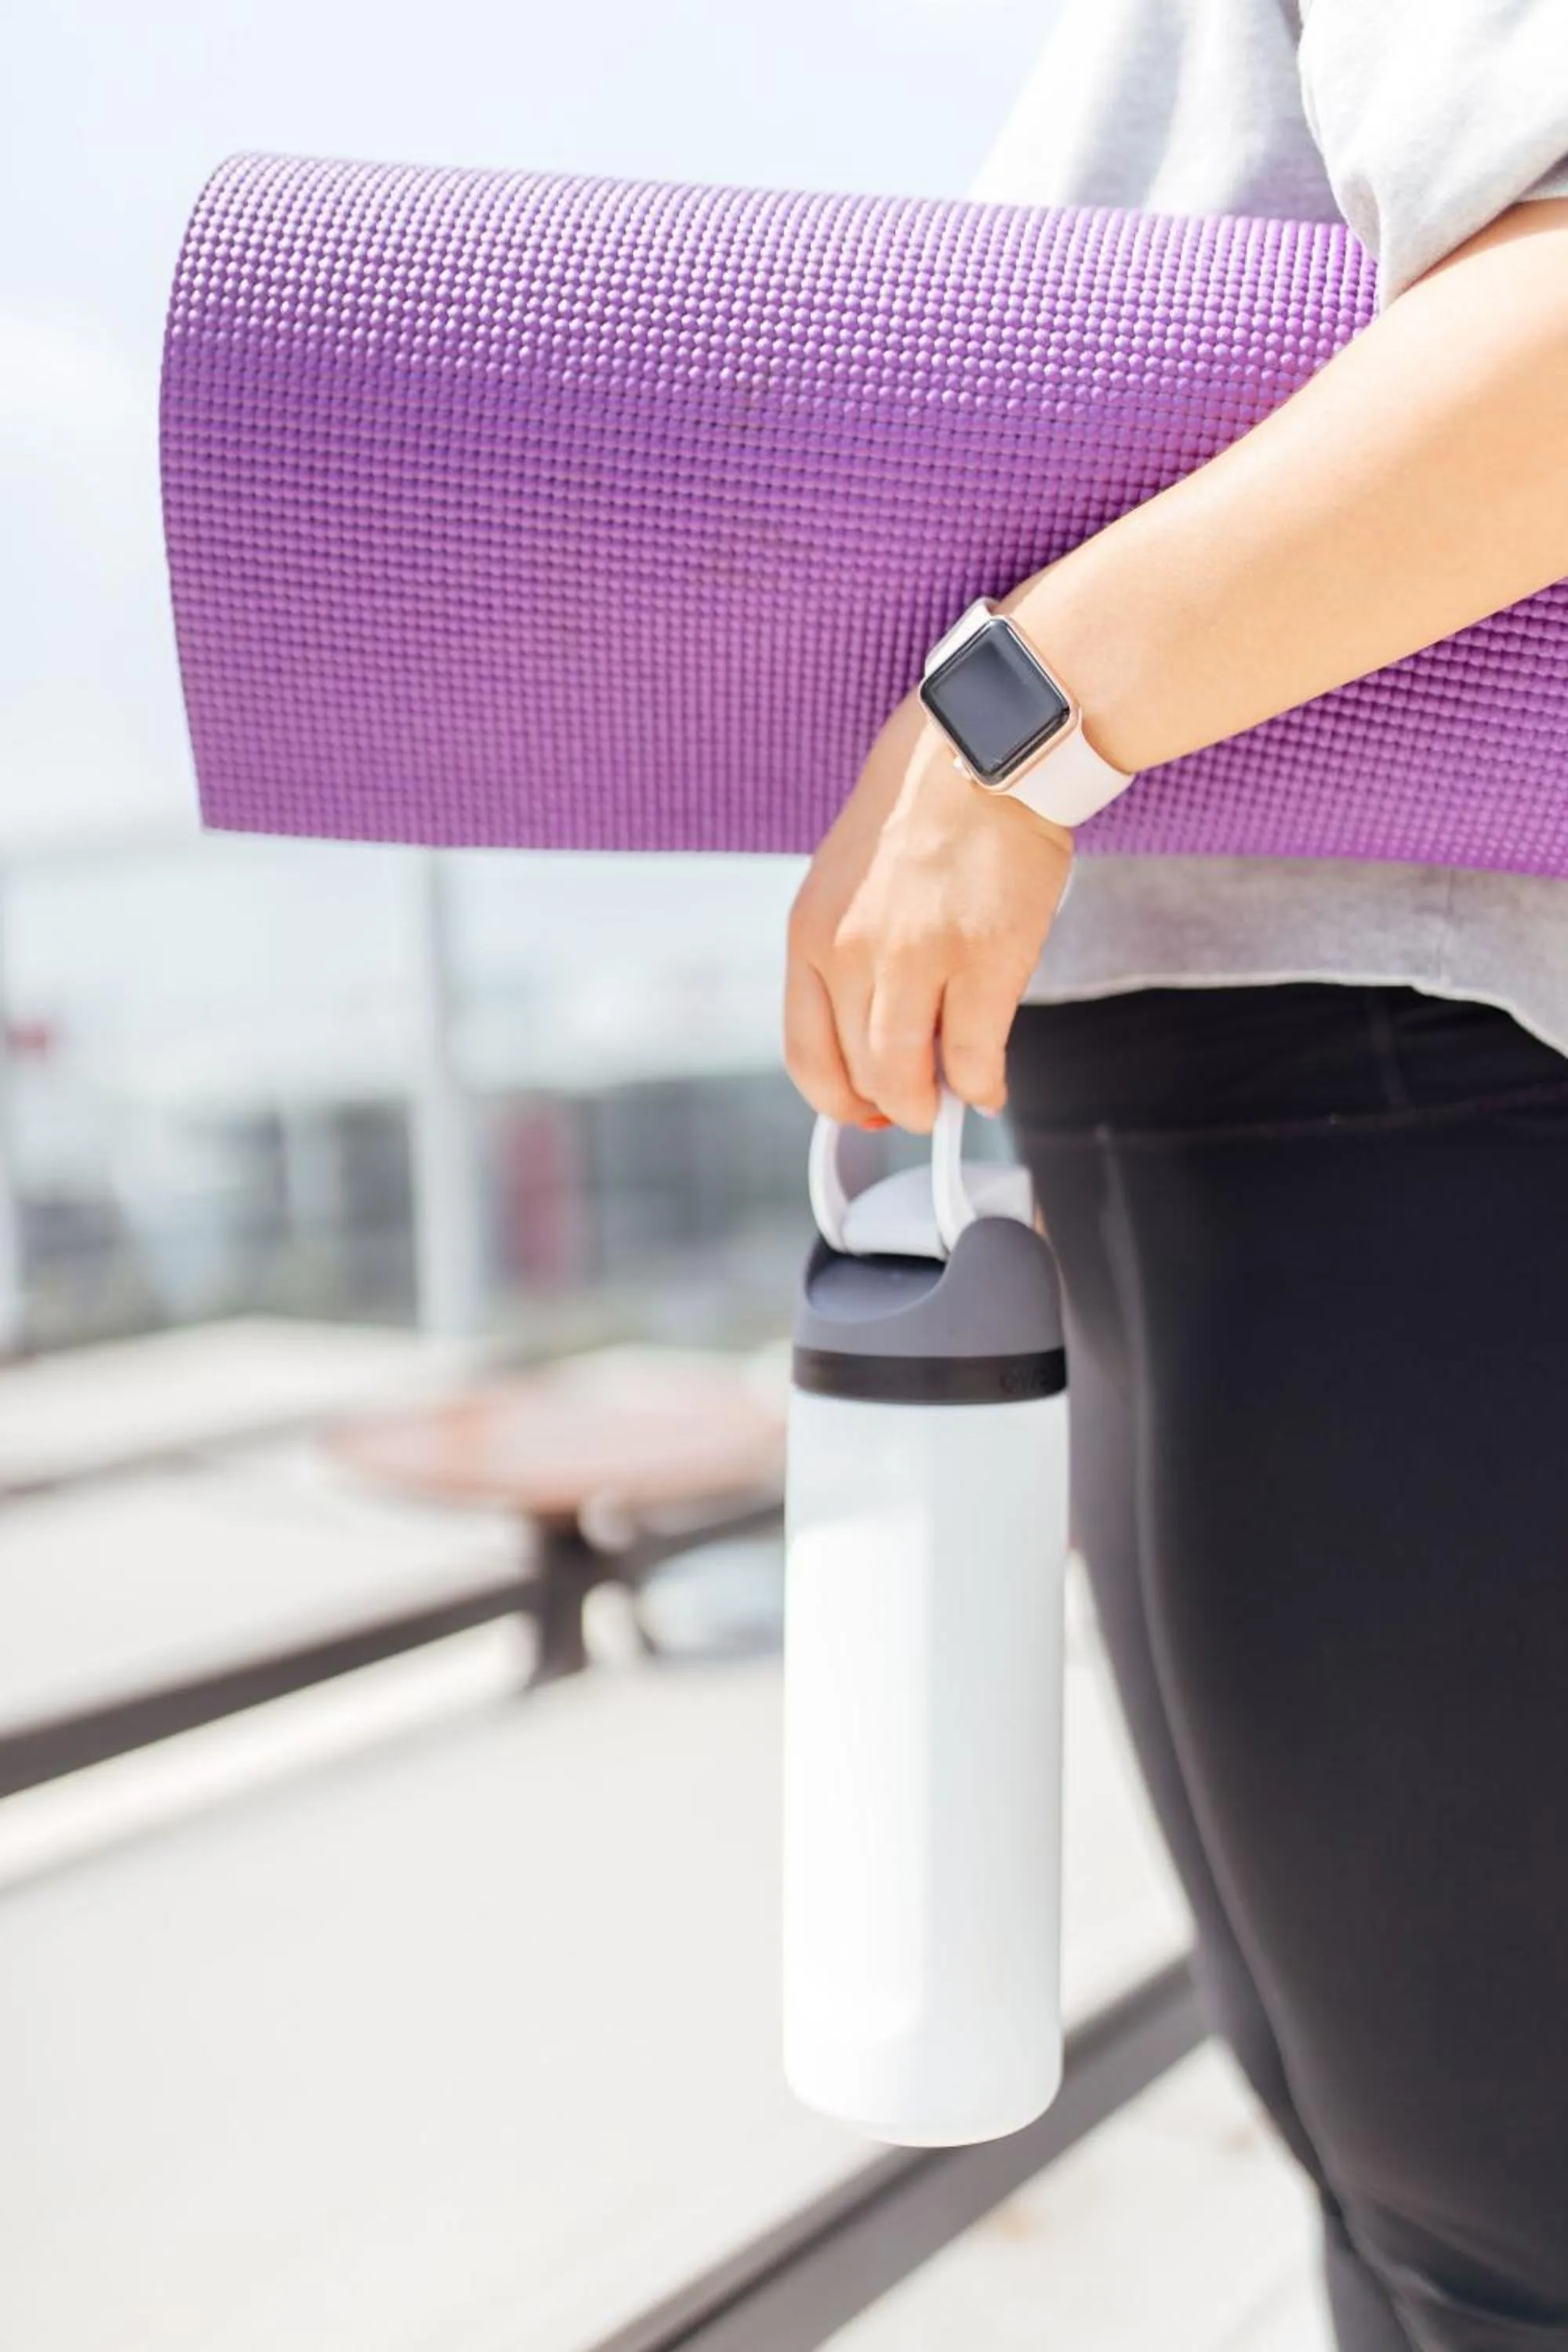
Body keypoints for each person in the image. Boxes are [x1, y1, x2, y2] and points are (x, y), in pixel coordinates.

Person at [782, 5, 1568, 2345]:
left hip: (1417, 1101)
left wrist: (993, 745)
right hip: (1256, 1122)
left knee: (1494, 2241)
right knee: (1404, 2204)